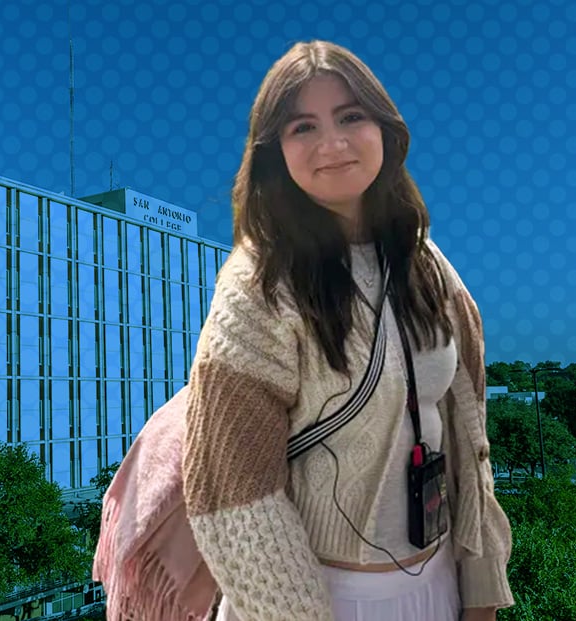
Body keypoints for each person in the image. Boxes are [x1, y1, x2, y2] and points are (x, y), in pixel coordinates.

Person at [181, 40, 514, 621]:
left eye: (351, 116)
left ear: (385, 128)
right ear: (273, 153)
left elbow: (469, 439)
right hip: (313, 600)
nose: (331, 143)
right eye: (302, 127)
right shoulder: (257, 286)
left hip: (438, 587)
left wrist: (481, 592)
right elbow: (231, 495)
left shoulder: (430, 267)